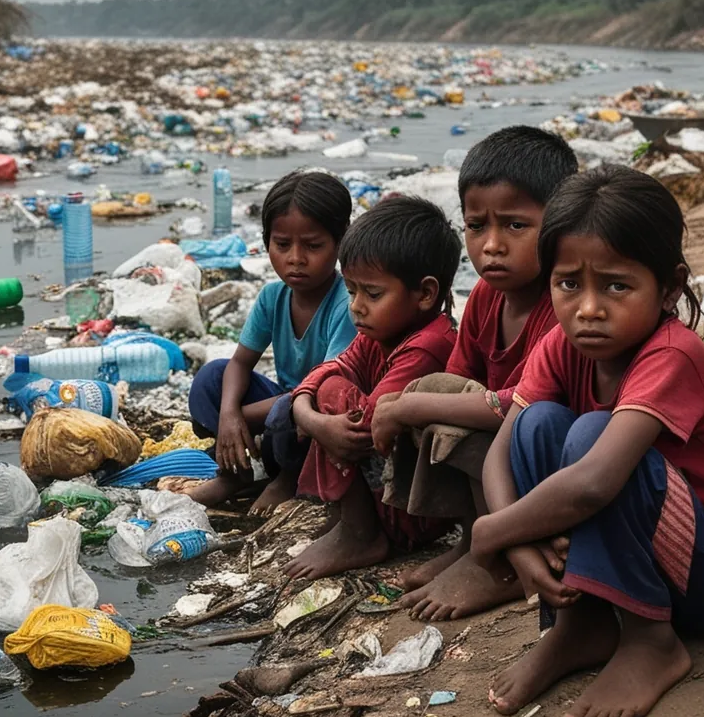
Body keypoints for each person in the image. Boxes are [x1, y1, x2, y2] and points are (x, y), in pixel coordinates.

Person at [471, 165, 704, 717]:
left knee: (593, 438)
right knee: (539, 422)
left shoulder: (671, 355)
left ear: (668, 287)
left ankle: (649, 641)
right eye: (569, 284)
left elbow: (593, 483)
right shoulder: (561, 345)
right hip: (663, 560)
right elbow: (503, 448)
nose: (588, 308)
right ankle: (581, 624)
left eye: (616, 285)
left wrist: (493, 532)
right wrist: (509, 537)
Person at [370, 126, 578, 621]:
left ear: (561, 223)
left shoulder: (563, 304)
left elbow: (521, 405)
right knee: (430, 394)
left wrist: (412, 404)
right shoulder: (486, 297)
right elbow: (460, 374)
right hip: (502, 453)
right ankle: (474, 539)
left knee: (428, 400)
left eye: (514, 226)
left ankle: (499, 561)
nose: (491, 246)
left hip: (552, 460)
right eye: (476, 226)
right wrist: (411, 402)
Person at [285, 195, 461, 581]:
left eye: (373, 294)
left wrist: (312, 412)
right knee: (329, 386)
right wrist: (302, 406)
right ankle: (352, 522)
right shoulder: (379, 333)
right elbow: (328, 369)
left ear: (426, 294)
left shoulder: (428, 344)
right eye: (351, 292)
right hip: (393, 490)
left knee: (333, 394)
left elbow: (369, 425)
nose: (357, 307)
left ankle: (360, 533)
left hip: (415, 510)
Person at [187, 170, 356, 513]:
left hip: (318, 414)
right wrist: (229, 413)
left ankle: (289, 477)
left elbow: (323, 386)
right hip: (280, 413)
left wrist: (235, 418)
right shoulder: (272, 297)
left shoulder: (346, 304)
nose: (295, 258)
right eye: (282, 245)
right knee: (211, 379)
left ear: (340, 244)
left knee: (285, 411)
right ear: (267, 244)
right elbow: (240, 363)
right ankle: (236, 473)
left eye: (313, 245)